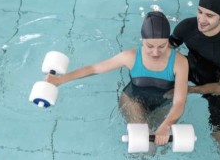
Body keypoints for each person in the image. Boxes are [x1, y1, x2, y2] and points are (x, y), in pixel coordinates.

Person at [46, 11, 188, 146]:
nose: (155, 52)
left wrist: (166, 125)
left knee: (161, 145)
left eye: (162, 46)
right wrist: (60, 80)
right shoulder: (131, 57)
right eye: (149, 46)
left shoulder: (179, 62)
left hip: (163, 104)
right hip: (133, 101)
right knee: (147, 148)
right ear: (142, 40)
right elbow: (94, 69)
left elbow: (179, 102)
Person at [169, 0, 220, 160]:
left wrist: (188, 90)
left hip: (217, 87)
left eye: (209, 16)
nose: (201, 20)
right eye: (200, 12)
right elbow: (166, 51)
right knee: (159, 85)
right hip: (191, 68)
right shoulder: (187, 27)